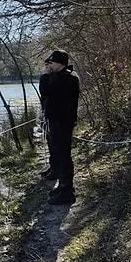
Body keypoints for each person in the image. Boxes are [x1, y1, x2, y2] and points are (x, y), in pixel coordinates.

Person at [43, 50, 80, 205]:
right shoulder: (61, 77)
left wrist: (45, 76)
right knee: (59, 153)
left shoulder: (69, 78)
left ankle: (67, 190)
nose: (48, 66)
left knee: (64, 154)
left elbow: (45, 90)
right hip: (56, 120)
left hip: (63, 121)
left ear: (60, 63)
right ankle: (63, 185)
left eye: (51, 63)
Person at [38, 58, 57, 180]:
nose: (46, 68)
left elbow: (45, 92)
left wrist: (44, 76)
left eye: (49, 65)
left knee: (55, 145)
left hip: (56, 118)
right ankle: (53, 167)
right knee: (50, 143)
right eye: (45, 65)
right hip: (48, 115)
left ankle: (56, 170)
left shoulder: (55, 79)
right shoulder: (50, 77)